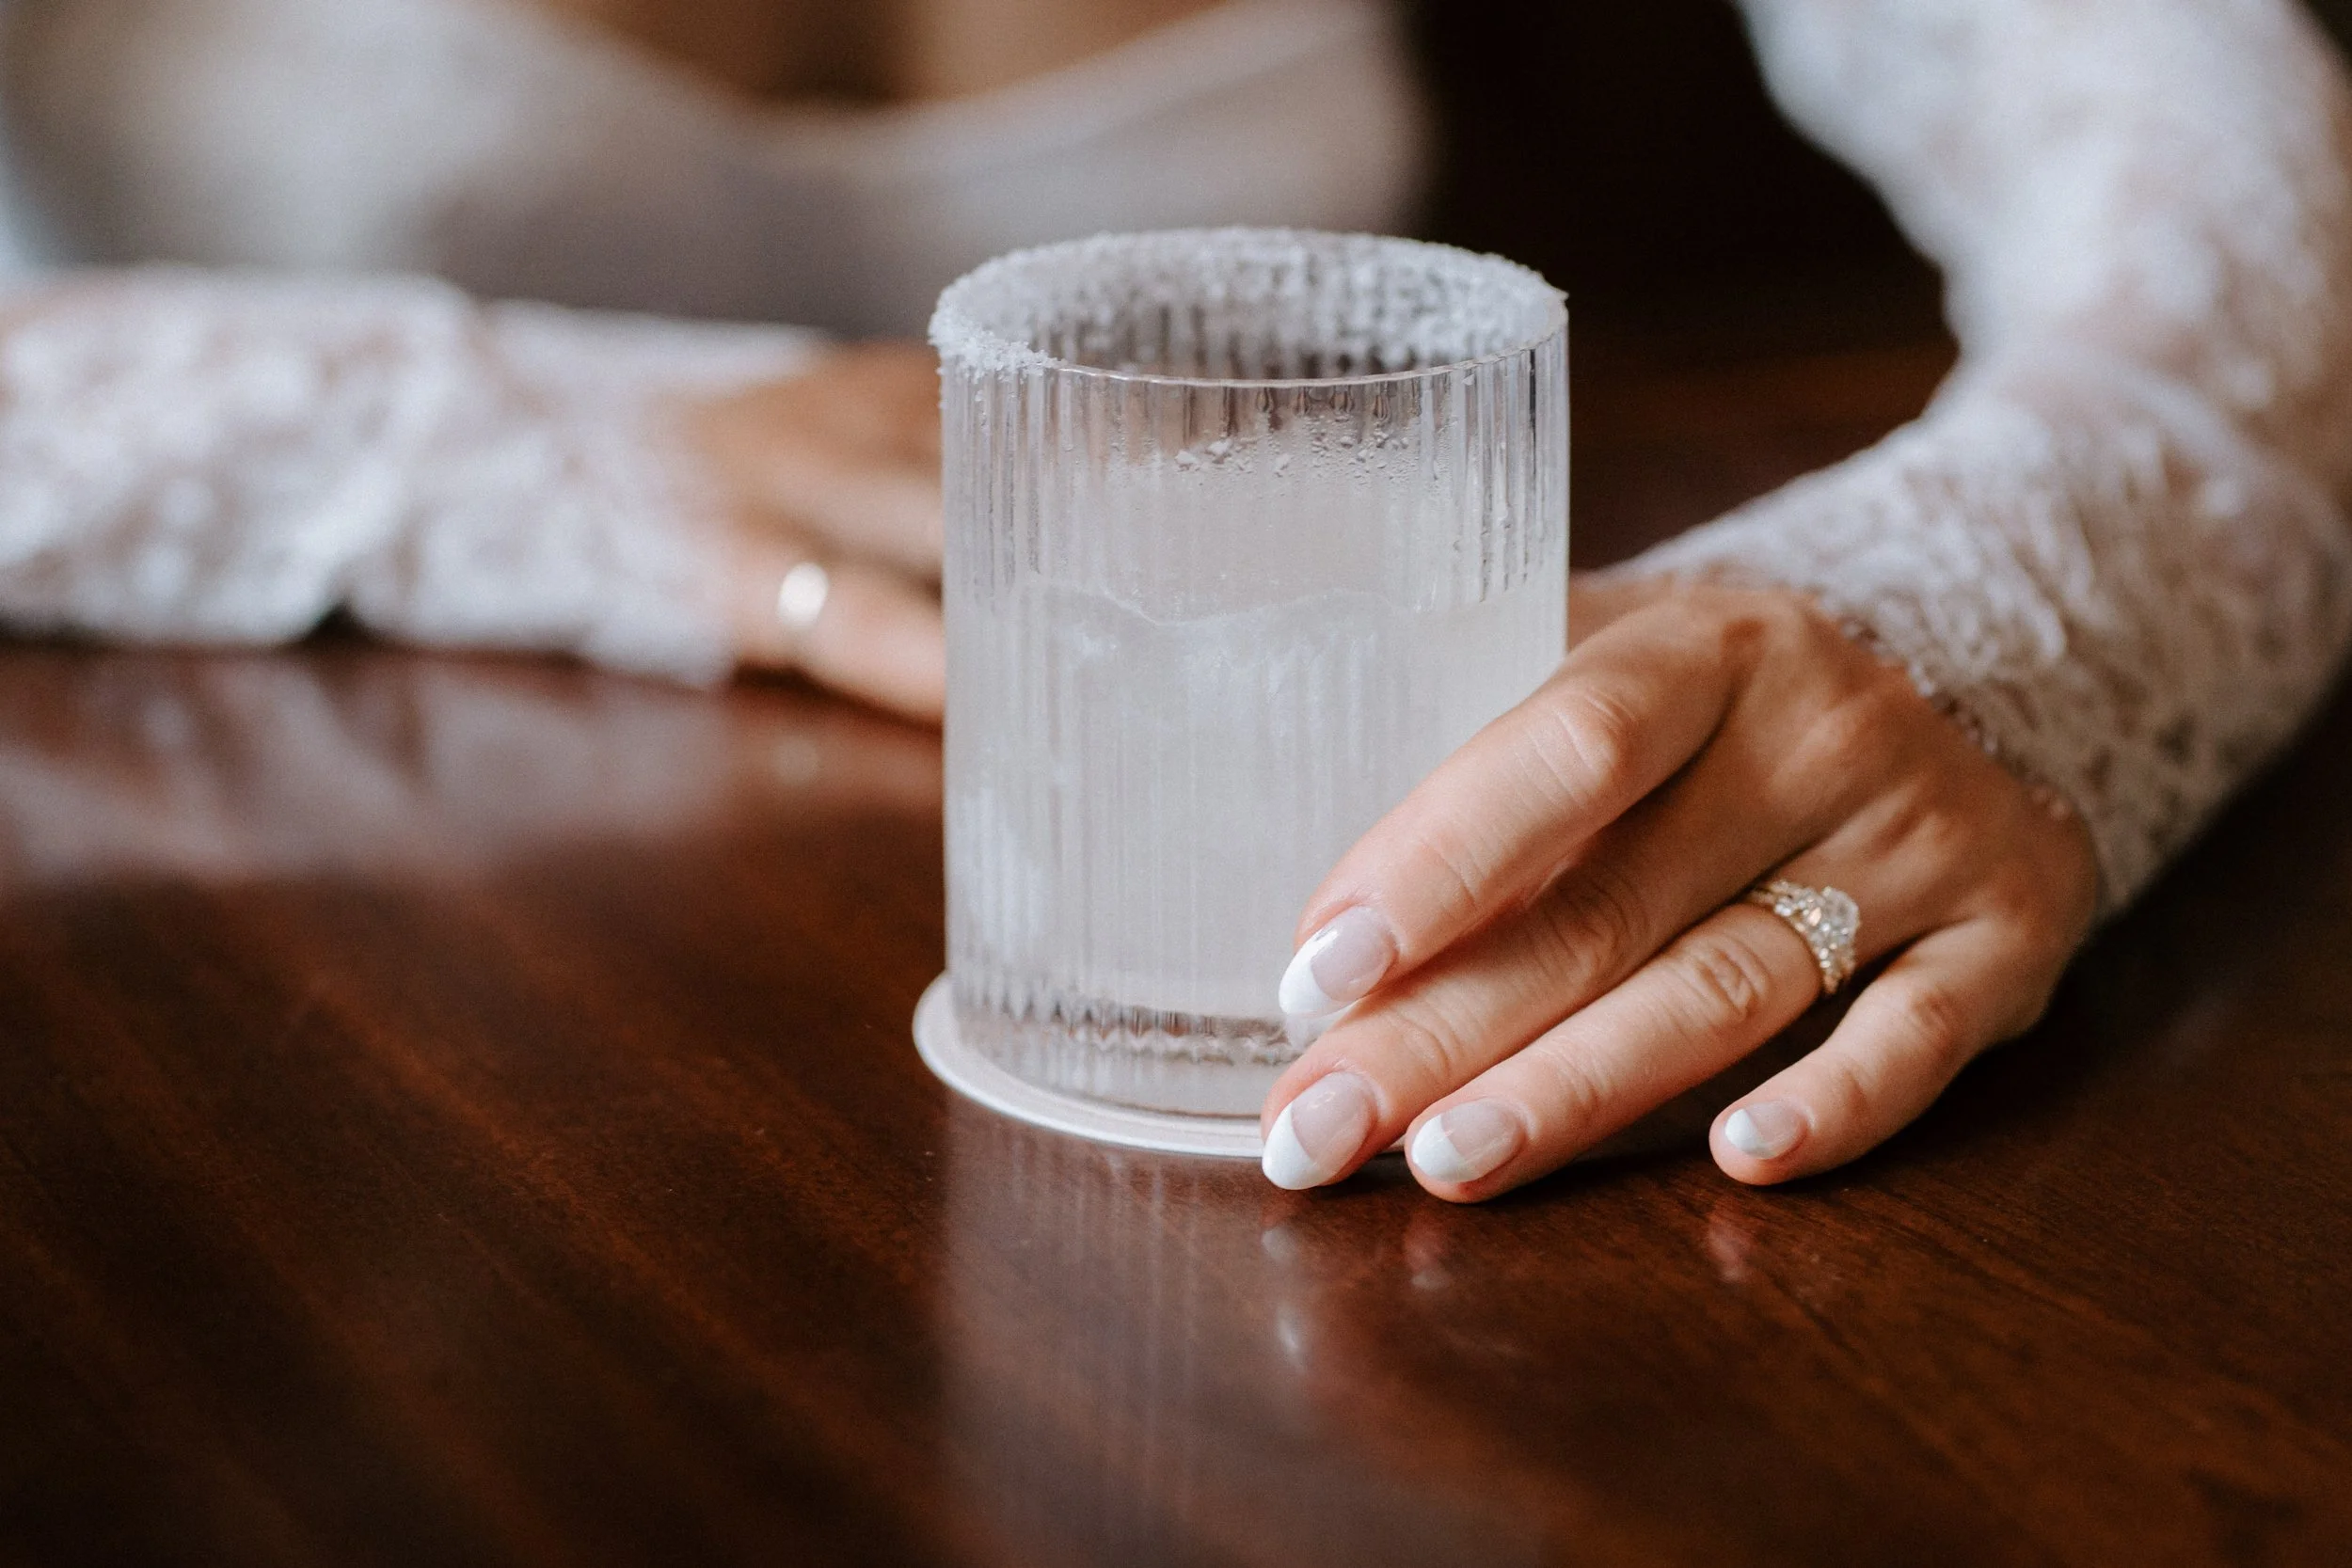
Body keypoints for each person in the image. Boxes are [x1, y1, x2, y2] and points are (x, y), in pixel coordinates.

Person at [2, 0, 2346, 1202]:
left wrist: (1982, 609)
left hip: (1292, 849)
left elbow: (2212, 158)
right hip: (272, 991)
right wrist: (475, 438)